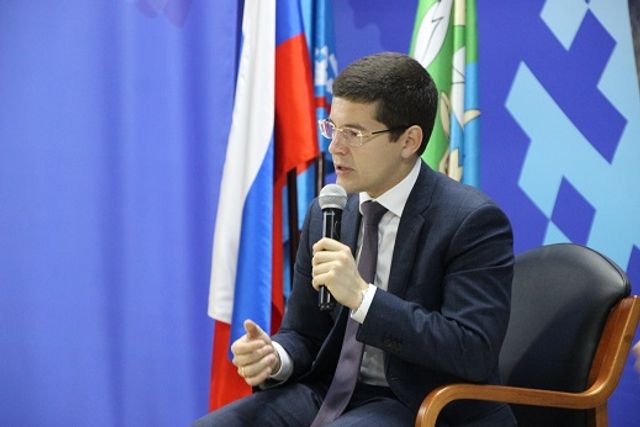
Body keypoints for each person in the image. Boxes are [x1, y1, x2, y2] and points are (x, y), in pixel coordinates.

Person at [193, 52, 516, 426]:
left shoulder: (471, 221)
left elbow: (472, 350)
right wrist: (276, 357)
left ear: (409, 141)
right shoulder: (328, 211)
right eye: (332, 128)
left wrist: (364, 298)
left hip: (419, 402)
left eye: (354, 133)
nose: (335, 147)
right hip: (328, 392)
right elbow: (304, 332)